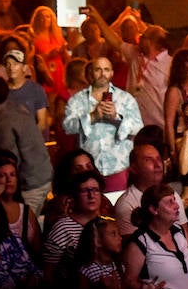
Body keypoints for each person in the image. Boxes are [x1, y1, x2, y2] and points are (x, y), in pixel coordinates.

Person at [61, 54, 143, 193]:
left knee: (117, 209)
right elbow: (67, 127)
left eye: (106, 69)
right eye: (98, 69)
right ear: (91, 73)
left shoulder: (125, 98)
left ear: (111, 73)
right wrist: (92, 117)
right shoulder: (77, 100)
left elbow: (138, 128)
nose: (102, 74)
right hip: (88, 170)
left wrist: (116, 117)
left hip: (118, 167)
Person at [0, 75, 54, 216]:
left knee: (25, 227)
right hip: (41, 175)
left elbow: (9, 161)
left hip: (31, 183)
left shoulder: (3, 122)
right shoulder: (15, 107)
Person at [0, 150, 43, 261]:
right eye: (3, 175)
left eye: (13, 175)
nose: (9, 180)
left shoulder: (26, 210)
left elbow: (38, 248)